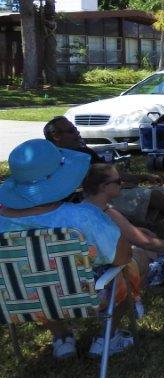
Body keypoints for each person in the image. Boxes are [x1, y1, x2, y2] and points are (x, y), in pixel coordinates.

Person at [0, 139, 135, 358]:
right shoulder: (83, 217)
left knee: (36, 280)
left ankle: (62, 338)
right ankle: (107, 337)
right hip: (86, 298)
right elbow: (123, 257)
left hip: (19, 301)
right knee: (135, 264)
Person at [81, 163, 164, 289]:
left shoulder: (81, 208)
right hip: (113, 276)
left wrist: (137, 231)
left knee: (148, 245)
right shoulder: (108, 213)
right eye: (118, 181)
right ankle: (151, 277)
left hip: (93, 271)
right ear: (103, 187)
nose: (122, 184)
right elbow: (147, 243)